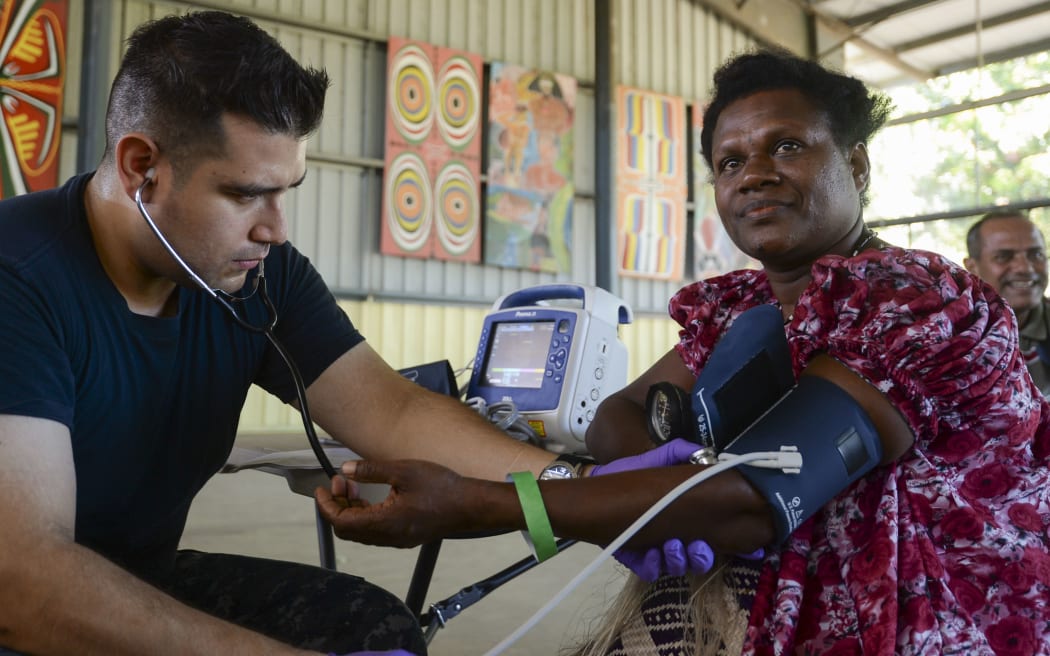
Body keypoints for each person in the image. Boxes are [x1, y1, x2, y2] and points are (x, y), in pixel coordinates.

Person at [317, 48, 1050, 655]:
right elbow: (619, 410)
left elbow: (761, 496)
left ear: (856, 166)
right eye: (729, 163)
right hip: (781, 606)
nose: (753, 173)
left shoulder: (914, 299)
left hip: (929, 619)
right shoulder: (743, 304)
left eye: (786, 146)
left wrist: (491, 504)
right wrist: (659, 478)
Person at [0, 10, 618, 656]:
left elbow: (394, 410)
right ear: (140, 166)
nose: (276, 229)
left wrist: (586, 497)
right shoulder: (17, 277)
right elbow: (22, 580)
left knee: (370, 627)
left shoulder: (255, 275)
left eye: (286, 191)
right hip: (25, 606)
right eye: (245, 195)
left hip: (134, 579)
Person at [964, 210, 1050, 396]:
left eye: (1036, 254)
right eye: (1004, 256)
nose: (1025, 268)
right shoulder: (952, 340)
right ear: (972, 268)